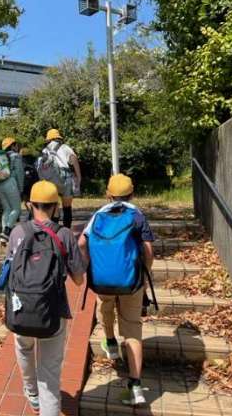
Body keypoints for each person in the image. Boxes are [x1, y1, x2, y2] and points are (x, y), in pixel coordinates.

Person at [6, 180, 86, 416]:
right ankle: (44, 402)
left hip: (20, 309)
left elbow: (9, 271)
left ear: (29, 205)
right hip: (53, 311)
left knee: (24, 347)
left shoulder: (17, 232)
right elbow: (79, 280)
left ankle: (31, 393)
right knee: (49, 376)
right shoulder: (64, 235)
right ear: (55, 207)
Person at [78, 173, 154, 406]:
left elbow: (81, 243)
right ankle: (136, 387)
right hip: (131, 281)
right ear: (132, 193)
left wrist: (89, 266)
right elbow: (148, 250)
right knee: (132, 330)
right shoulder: (137, 215)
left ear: (108, 194)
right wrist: (144, 273)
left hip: (103, 279)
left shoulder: (98, 215)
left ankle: (110, 342)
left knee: (105, 306)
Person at [43, 128, 81, 229]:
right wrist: (78, 176)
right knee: (67, 206)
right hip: (66, 175)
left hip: (51, 178)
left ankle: (53, 230)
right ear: (58, 138)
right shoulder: (65, 147)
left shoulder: (45, 150)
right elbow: (73, 159)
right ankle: (67, 230)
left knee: (54, 205)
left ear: (49, 139)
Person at [0, 137, 24, 244]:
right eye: (16, 145)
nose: (17, 147)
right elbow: (19, 173)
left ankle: (3, 235)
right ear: (12, 146)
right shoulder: (16, 156)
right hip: (10, 183)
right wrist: (21, 188)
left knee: (7, 209)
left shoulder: (0, 158)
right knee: (17, 209)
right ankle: (7, 231)